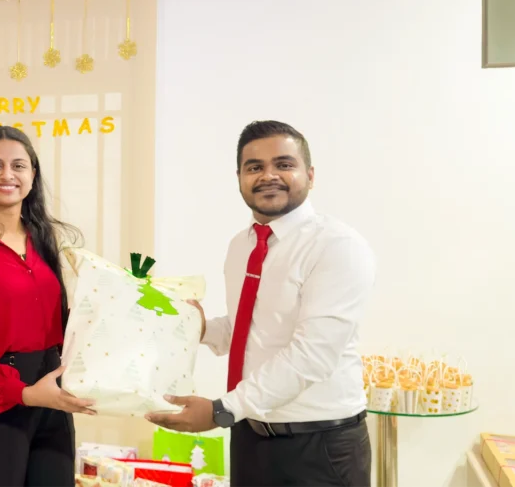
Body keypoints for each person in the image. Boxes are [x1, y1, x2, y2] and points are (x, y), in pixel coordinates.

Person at [146, 120, 375, 487]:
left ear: (310, 175)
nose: (268, 175)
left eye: (284, 164)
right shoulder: (242, 245)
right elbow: (249, 328)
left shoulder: (336, 245)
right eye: (254, 167)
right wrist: (200, 327)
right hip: (250, 435)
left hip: (319, 447)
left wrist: (221, 410)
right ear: (239, 177)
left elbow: (312, 354)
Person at [0, 126, 95, 487]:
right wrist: (23, 392)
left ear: (33, 176)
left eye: (19, 166)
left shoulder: (43, 240)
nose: (7, 175)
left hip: (52, 401)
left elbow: (58, 322)